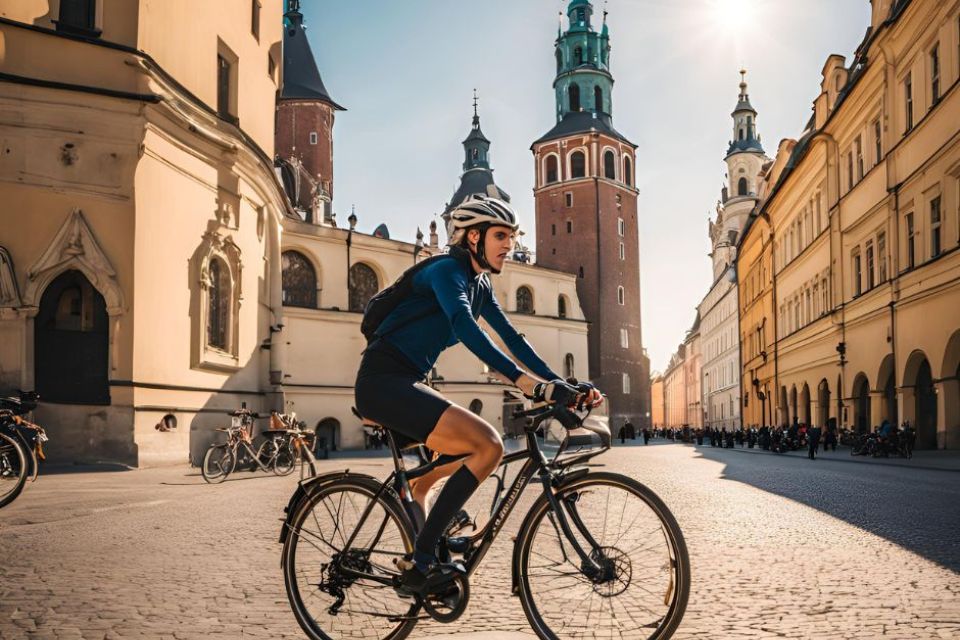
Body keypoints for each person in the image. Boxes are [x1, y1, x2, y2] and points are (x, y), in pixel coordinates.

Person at [353, 195, 602, 597]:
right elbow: (467, 328)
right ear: (473, 236)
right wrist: (528, 384)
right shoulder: (446, 271)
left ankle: (420, 513)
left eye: (512, 236)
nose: (510, 244)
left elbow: (511, 339)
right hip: (383, 383)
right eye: (501, 235)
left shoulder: (480, 284)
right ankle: (421, 562)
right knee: (488, 444)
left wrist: (564, 385)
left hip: (411, 382)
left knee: (463, 457)